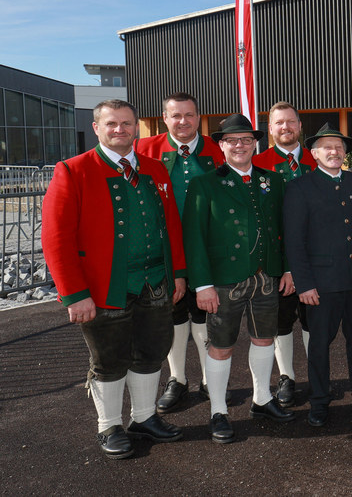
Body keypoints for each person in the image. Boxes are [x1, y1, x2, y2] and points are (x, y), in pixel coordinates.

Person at [43, 99, 186, 459]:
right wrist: (74, 295)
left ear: (137, 127)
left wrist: (178, 275)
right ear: (97, 128)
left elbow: (171, 226)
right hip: (103, 286)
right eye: (111, 124)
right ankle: (108, 425)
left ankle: (144, 417)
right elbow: (56, 237)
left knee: (151, 352)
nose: (120, 130)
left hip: (155, 280)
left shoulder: (155, 169)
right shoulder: (73, 170)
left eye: (126, 123)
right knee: (109, 358)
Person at [183, 113, 296, 443]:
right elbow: (194, 238)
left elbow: (283, 230)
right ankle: (218, 410)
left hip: (265, 276)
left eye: (246, 140)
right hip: (223, 280)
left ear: (255, 144)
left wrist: (287, 268)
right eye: (232, 140)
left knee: (264, 339)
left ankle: (262, 399)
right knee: (221, 346)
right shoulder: (204, 183)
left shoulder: (272, 180)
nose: (240, 146)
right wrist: (202, 285)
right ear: (221, 145)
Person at [283, 125, 352, 427]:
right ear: (313, 153)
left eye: (339, 147)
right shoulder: (300, 187)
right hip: (321, 284)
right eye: (326, 147)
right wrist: (304, 283)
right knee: (318, 346)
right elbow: (294, 240)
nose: (334, 152)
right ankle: (319, 401)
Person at [135, 91, 225, 412]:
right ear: (165, 118)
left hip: (208, 249)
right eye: (176, 115)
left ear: (198, 117)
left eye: (189, 115)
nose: (183, 122)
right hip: (163, 248)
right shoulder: (143, 150)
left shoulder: (217, 150)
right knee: (173, 313)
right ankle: (178, 379)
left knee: (205, 313)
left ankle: (208, 378)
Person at [252, 101, 316, 407]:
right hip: (276, 261)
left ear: (300, 126)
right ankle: (287, 376)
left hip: (318, 257)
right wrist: (288, 267)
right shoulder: (258, 163)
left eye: (291, 122)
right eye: (279, 123)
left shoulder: (317, 160)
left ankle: (317, 374)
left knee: (314, 319)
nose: (285, 128)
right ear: (270, 129)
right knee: (281, 322)